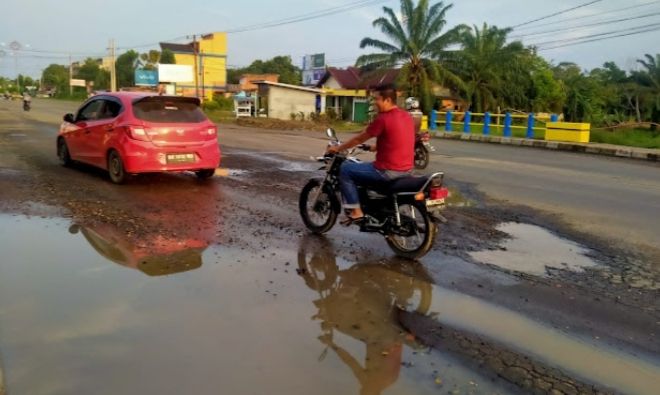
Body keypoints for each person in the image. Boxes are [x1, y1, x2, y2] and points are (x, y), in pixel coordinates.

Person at [326, 84, 415, 225]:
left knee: (346, 169)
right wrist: (376, 147)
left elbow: (359, 138)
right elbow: (397, 138)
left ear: (387, 100)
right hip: (406, 170)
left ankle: (356, 211)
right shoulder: (406, 117)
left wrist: (338, 148)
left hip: (387, 171)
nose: (374, 103)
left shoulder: (383, 118)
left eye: (377, 99)